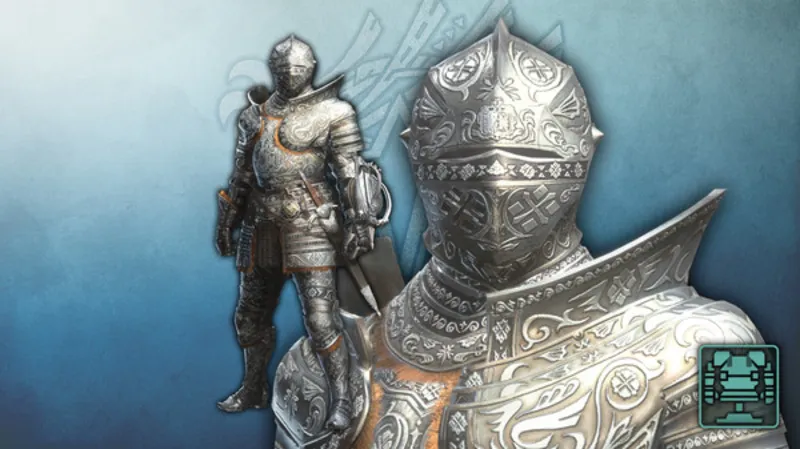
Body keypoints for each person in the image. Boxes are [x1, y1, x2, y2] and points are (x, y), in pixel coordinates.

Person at [269, 20, 790, 449]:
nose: (497, 181)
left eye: (525, 162)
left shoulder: (717, 346)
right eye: (467, 163)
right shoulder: (319, 366)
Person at [214, 35, 388, 430]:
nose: (288, 75)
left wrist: (359, 222)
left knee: (321, 320)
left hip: (311, 221)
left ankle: (342, 399)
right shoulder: (254, 116)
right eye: (281, 69)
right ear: (272, 70)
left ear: (309, 70)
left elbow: (349, 171)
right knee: (248, 317)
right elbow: (242, 176)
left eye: (294, 69)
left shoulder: (334, 112)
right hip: (260, 224)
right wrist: (226, 222)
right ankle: (254, 387)